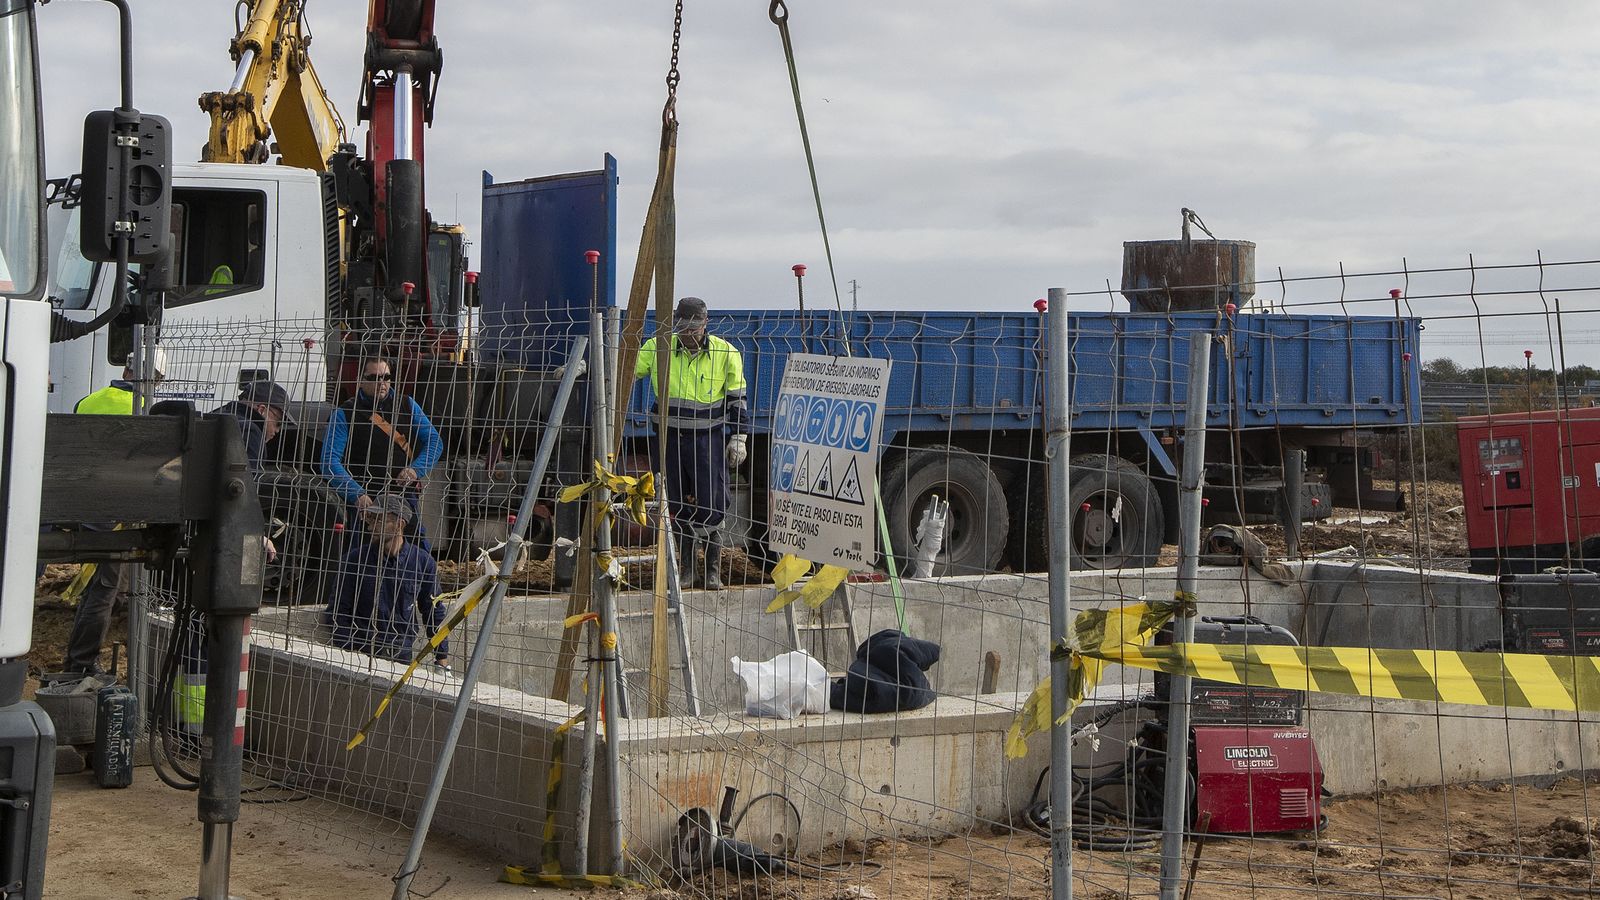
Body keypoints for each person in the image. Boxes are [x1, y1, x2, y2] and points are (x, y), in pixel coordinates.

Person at [636, 297, 750, 590]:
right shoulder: (658, 347)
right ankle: (688, 569)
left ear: (705, 324)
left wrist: (738, 437)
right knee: (676, 502)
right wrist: (588, 365)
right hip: (670, 439)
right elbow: (625, 367)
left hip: (708, 440)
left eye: (694, 328)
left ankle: (712, 570)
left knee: (713, 502)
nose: (689, 334)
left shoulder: (726, 353)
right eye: (683, 328)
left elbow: (737, 399)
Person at [63, 349, 165, 675]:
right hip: (120, 512)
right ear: (156, 379)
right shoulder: (148, 410)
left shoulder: (88, 400)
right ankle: (80, 664)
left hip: (86, 506)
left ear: (126, 371)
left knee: (104, 586)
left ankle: (83, 657)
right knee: (104, 591)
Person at [319, 355, 443, 540]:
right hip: (366, 501)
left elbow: (434, 441)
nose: (381, 383)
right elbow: (329, 462)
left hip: (401, 498)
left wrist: (415, 470)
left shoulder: (407, 405)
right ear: (360, 380)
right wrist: (356, 494)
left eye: (386, 377)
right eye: (373, 378)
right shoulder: (344, 414)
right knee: (362, 557)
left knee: (413, 551)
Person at [325, 493, 448, 668]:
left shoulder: (421, 562)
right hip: (362, 655)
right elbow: (337, 613)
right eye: (370, 518)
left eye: (379, 519)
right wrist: (351, 651)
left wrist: (441, 658)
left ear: (400, 523)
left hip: (402, 655)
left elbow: (433, 611)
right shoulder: (354, 561)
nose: (371, 526)